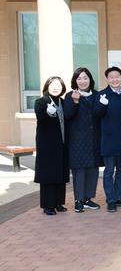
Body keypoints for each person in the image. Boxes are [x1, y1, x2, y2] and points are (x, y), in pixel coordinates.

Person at [93, 66, 121, 213]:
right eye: (111, 77)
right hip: (108, 140)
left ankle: (119, 197)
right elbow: (97, 114)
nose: (115, 79)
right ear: (107, 79)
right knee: (109, 171)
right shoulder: (101, 95)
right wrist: (102, 105)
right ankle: (110, 200)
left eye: (117, 76)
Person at [63, 67, 102, 213]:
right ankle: (78, 200)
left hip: (94, 138)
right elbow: (68, 115)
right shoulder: (70, 95)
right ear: (75, 81)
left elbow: (100, 114)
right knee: (79, 170)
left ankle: (88, 198)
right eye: (79, 78)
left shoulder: (97, 95)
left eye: (85, 78)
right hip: (77, 140)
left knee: (93, 169)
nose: (83, 81)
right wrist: (75, 101)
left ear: (90, 80)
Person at [34, 76, 69, 215]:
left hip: (62, 143)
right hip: (47, 145)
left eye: (58, 85)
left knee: (60, 173)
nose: (56, 88)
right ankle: (48, 205)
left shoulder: (63, 102)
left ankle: (59, 202)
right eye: (53, 85)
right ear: (47, 86)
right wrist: (48, 113)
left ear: (62, 88)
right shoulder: (41, 102)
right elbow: (40, 118)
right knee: (48, 175)